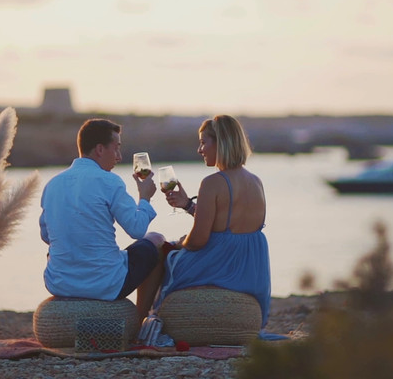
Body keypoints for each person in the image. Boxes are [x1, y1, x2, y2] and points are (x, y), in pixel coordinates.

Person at [39, 118, 165, 320]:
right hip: (106, 285)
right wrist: (145, 198)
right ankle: (141, 318)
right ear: (99, 149)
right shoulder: (110, 181)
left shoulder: (52, 184)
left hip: (59, 284)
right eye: (116, 149)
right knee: (155, 239)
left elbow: (46, 235)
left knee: (59, 245)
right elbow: (137, 229)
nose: (119, 156)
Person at [158, 115, 271, 328]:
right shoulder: (256, 182)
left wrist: (182, 243)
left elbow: (199, 240)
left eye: (203, 142)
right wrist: (188, 206)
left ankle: (147, 320)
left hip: (221, 267)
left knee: (160, 252)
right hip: (250, 271)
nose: (199, 150)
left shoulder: (212, 183)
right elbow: (226, 224)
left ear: (221, 143)